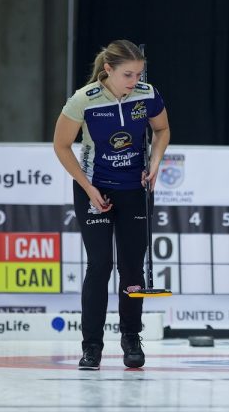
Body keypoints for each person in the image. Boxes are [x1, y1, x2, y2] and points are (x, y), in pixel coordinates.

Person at [53, 39, 171, 370]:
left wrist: (156, 162)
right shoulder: (83, 99)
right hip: (96, 189)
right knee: (100, 265)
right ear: (109, 70)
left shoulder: (147, 94)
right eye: (128, 75)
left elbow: (161, 130)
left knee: (132, 268)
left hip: (135, 188)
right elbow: (61, 145)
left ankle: (131, 339)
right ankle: (91, 346)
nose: (135, 81)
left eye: (138, 74)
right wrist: (88, 187)